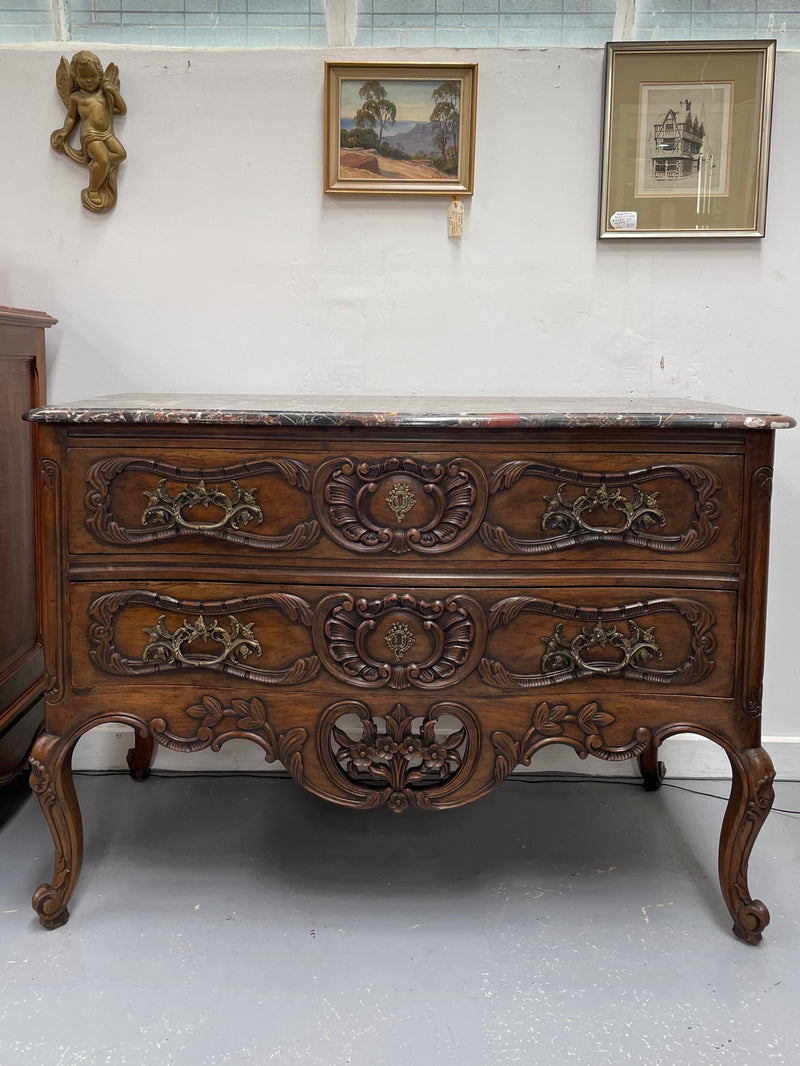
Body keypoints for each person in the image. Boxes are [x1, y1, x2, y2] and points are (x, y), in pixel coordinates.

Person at [51, 51, 127, 212]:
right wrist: (64, 131)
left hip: (106, 133)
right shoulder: (76, 97)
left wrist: (113, 91)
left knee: (121, 155)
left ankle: (97, 165)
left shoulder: (105, 95)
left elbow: (121, 110)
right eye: (84, 77)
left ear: (100, 75)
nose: (89, 81)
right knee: (105, 160)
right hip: (90, 135)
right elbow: (71, 117)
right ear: (76, 79)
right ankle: (93, 190)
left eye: (92, 76)